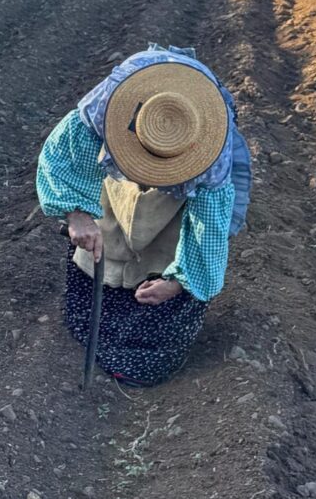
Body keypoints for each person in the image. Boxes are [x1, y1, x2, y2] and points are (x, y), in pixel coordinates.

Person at [36, 45, 251, 387]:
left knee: (164, 239)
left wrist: (179, 282)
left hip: (189, 179)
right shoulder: (109, 104)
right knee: (111, 227)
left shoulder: (212, 155)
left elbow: (209, 227)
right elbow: (64, 154)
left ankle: (138, 350)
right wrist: (76, 213)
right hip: (122, 142)